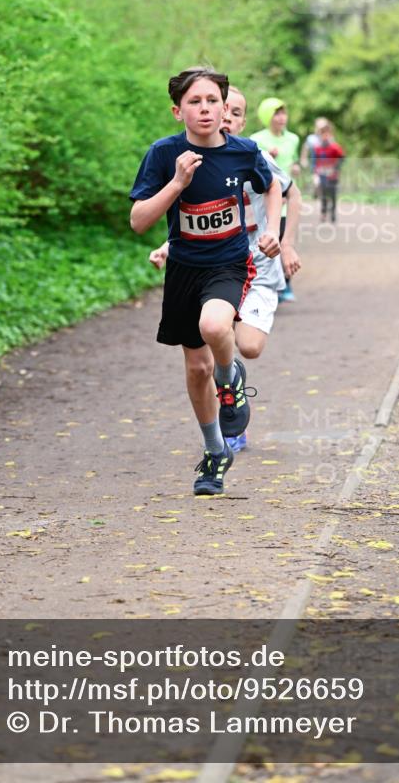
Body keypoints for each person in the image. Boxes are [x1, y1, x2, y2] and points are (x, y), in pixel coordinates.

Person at [130, 67, 282, 495]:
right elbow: (139, 221)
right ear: (178, 111)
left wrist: (271, 229)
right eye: (195, 102)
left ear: (224, 105)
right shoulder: (163, 154)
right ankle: (216, 452)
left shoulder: (244, 151)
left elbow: (272, 187)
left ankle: (230, 376)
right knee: (196, 368)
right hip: (184, 268)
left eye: (212, 101)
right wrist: (178, 183)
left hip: (229, 264)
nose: (205, 109)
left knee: (215, 326)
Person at [149, 86, 302, 453]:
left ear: (242, 120)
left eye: (234, 112)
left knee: (247, 346)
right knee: (215, 333)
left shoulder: (253, 155)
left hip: (259, 264)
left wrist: (286, 242)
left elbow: (289, 193)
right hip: (218, 265)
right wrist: (167, 247)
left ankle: (230, 372)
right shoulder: (193, 158)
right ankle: (232, 425)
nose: (226, 118)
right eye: (223, 109)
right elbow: (197, 221)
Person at [251, 97, 300, 303]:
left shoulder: (293, 139)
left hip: (289, 192)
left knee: (285, 239)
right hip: (268, 198)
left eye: (283, 113)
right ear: (266, 117)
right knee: (269, 240)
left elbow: (293, 161)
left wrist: (296, 167)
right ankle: (268, 285)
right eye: (276, 113)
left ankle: (286, 285)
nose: (281, 118)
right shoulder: (256, 139)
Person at [312, 120, 345, 223]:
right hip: (322, 174)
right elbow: (315, 161)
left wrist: (336, 167)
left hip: (333, 175)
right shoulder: (317, 148)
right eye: (323, 134)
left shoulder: (335, 147)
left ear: (330, 135)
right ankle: (323, 212)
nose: (325, 136)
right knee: (324, 194)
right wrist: (315, 171)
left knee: (333, 194)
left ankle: (333, 213)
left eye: (327, 134)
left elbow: (342, 157)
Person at [300, 117, 328, 199]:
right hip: (315, 166)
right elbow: (305, 149)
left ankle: (319, 196)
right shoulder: (311, 138)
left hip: (327, 166)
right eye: (319, 127)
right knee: (317, 183)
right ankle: (318, 195)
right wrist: (303, 159)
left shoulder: (328, 138)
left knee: (324, 185)